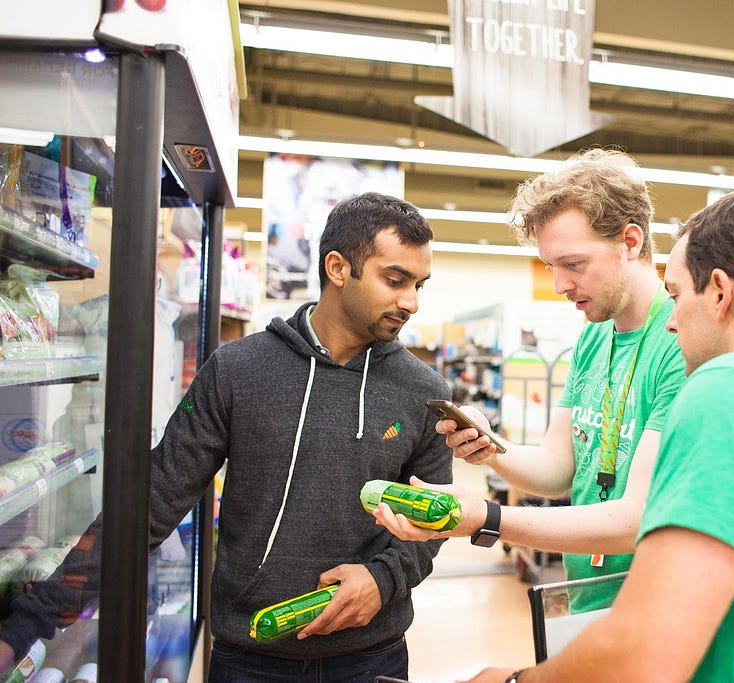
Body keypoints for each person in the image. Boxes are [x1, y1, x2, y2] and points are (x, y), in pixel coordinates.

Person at [0, 192, 454, 682]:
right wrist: (25, 626)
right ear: (339, 267)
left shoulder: (424, 392)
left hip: (372, 656)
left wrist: (382, 580)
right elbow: (153, 500)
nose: (410, 301)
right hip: (249, 658)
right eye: (395, 280)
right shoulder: (240, 370)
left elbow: (438, 514)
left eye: (418, 285)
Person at [460, 191, 734, 682]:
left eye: (675, 295)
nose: (669, 322)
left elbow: (647, 647)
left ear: (718, 291)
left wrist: (516, 681)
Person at [373, 149, 688, 611]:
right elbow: (559, 467)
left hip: (650, 611)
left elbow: (633, 518)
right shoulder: (594, 338)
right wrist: (491, 448)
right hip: (586, 600)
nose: (559, 284)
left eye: (573, 264)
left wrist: (484, 516)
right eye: (550, 266)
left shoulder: (679, 345)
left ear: (631, 242)